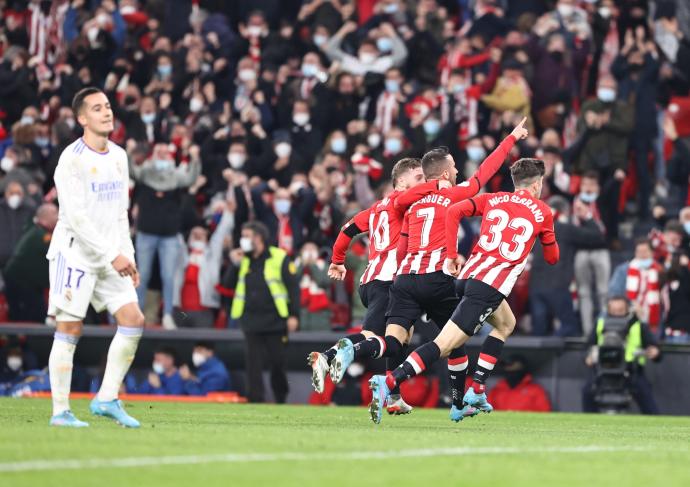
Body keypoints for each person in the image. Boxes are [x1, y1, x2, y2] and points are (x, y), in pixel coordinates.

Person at [340, 119, 530, 424]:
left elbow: (401, 242)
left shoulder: (410, 204)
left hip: (404, 281)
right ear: (444, 174)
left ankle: (362, 357)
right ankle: (439, 397)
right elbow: (486, 171)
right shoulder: (454, 194)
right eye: (453, 167)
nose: (457, 172)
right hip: (438, 279)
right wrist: (511, 139)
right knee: (452, 342)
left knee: (394, 341)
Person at [368, 156, 559, 424]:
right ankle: (389, 381)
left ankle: (478, 388)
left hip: (467, 276)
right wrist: (546, 237)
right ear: (537, 185)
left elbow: (454, 211)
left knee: (506, 323)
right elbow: (552, 258)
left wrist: (452, 255)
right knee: (443, 345)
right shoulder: (543, 212)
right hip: (489, 286)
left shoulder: (493, 199)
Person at [307, 157, 445, 414]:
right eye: (418, 179)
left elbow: (347, 230)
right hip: (390, 281)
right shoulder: (403, 203)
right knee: (382, 338)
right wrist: (442, 184)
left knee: (403, 336)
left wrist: (338, 261)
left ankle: (392, 395)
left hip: (371, 280)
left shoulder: (375, 209)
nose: (423, 184)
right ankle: (337, 354)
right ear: (400, 181)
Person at [46, 87, 145, 428]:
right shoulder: (71, 159)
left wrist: (127, 257)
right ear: (82, 118)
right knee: (70, 327)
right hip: (74, 253)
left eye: (108, 106)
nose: (107, 112)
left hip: (111, 255)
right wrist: (111, 255)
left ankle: (106, 398)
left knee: (133, 318)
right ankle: (60, 411)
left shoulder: (118, 156)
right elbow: (75, 217)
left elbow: (121, 213)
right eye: (98, 108)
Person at [223, 221, 300, 403]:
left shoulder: (278, 257)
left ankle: (281, 398)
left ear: (259, 238)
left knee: (278, 363)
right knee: (253, 364)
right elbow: (227, 284)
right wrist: (234, 264)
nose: (243, 240)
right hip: (250, 318)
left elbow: (293, 288)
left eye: (247, 236)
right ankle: (255, 399)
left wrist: (294, 315)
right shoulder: (242, 259)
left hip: (276, 319)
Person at [582, 296, 660, 414]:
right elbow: (588, 346)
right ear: (608, 310)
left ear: (627, 309)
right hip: (603, 370)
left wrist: (654, 351)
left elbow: (654, 347)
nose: (617, 314)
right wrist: (588, 357)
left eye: (620, 311)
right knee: (587, 391)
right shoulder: (600, 323)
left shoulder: (637, 325)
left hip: (630, 371)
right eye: (613, 311)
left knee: (646, 396)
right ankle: (588, 425)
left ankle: (657, 426)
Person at [3, 203, 58, 321]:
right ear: (45, 216)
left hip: (28, 284)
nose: (58, 216)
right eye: (55, 213)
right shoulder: (40, 234)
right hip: (21, 283)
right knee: (30, 317)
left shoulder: (35, 230)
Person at [487, 355, 552, 412]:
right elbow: (486, 411)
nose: (509, 368)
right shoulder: (496, 390)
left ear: (522, 367)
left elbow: (545, 412)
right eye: (507, 365)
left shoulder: (535, 390)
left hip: (528, 425)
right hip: (500, 425)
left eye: (512, 364)